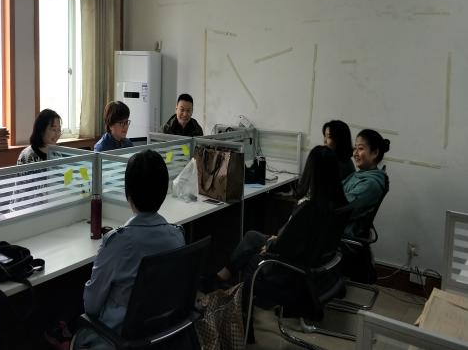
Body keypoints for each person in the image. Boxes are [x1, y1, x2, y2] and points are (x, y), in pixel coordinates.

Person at [212, 146, 348, 308]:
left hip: (292, 269)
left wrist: (271, 245)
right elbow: (300, 238)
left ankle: (240, 305)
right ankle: (221, 278)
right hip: (312, 262)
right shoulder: (338, 204)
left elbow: (285, 244)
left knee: (253, 257)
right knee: (252, 236)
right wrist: (276, 241)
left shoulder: (309, 208)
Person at [74, 150, 185, 349]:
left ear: (128, 193)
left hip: (118, 339)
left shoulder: (118, 242)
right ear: (164, 191)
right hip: (161, 334)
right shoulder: (177, 236)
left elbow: (91, 307)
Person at [343, 129, 390, 238]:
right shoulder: (360, 174)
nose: (355, 153)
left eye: (360, 148)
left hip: (341, 233)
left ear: (375, 153)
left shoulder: (370, 184)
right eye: (355, 148)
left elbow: (341, 209)